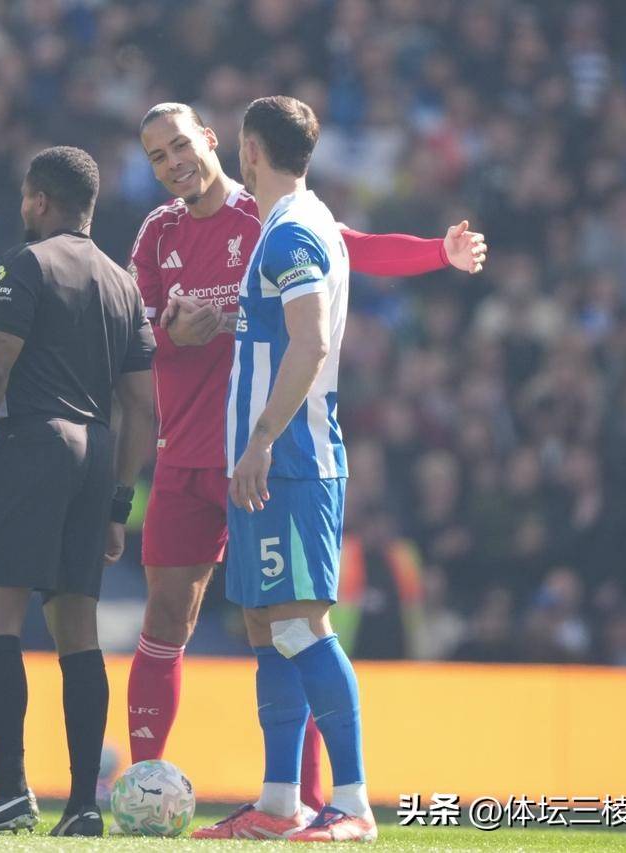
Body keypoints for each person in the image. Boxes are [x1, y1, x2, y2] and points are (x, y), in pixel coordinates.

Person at [125, 101, 486, 814]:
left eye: (179, 145)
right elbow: (131, 336)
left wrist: (434, 253)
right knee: (170, 617)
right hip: (185, 458)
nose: (172, 163)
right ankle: (149, 783)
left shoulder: (269, 216)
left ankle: (321, 799)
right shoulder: (156, 233)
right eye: (157, 156)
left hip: (261, 458)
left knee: (290, 624)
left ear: (213, 139)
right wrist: (174, 336)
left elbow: (352, 249)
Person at [0, 147, 155, 837]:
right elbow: (145, 407)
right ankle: (84, 804)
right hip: (93, 454)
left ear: (37, 200)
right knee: (76, 631)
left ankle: (8, 791)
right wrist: (119, 500)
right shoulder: (124, 285)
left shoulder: (22, 267)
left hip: (31, 447)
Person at [193, 96, 374, 841]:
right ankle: (278, 801)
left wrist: (263, 437)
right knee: (265, 625)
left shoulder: (294, 231)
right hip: (267, 464)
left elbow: (309, 342)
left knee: (300, 623)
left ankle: (355, 802)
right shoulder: (299, 224)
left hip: (292, 461)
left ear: (249, 152)